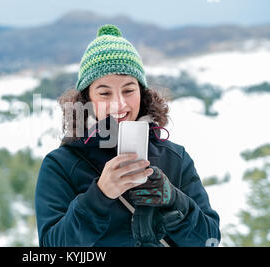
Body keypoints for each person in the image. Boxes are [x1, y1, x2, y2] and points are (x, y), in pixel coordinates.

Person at [34, 24, 220, 247]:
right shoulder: (61, 165)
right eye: (104, 93)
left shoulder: (175, 158)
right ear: (86, 99)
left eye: (129, 90)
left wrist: (174, 201)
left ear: (142, 93)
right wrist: (99, 196)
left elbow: (209, 240)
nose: (119, 103)